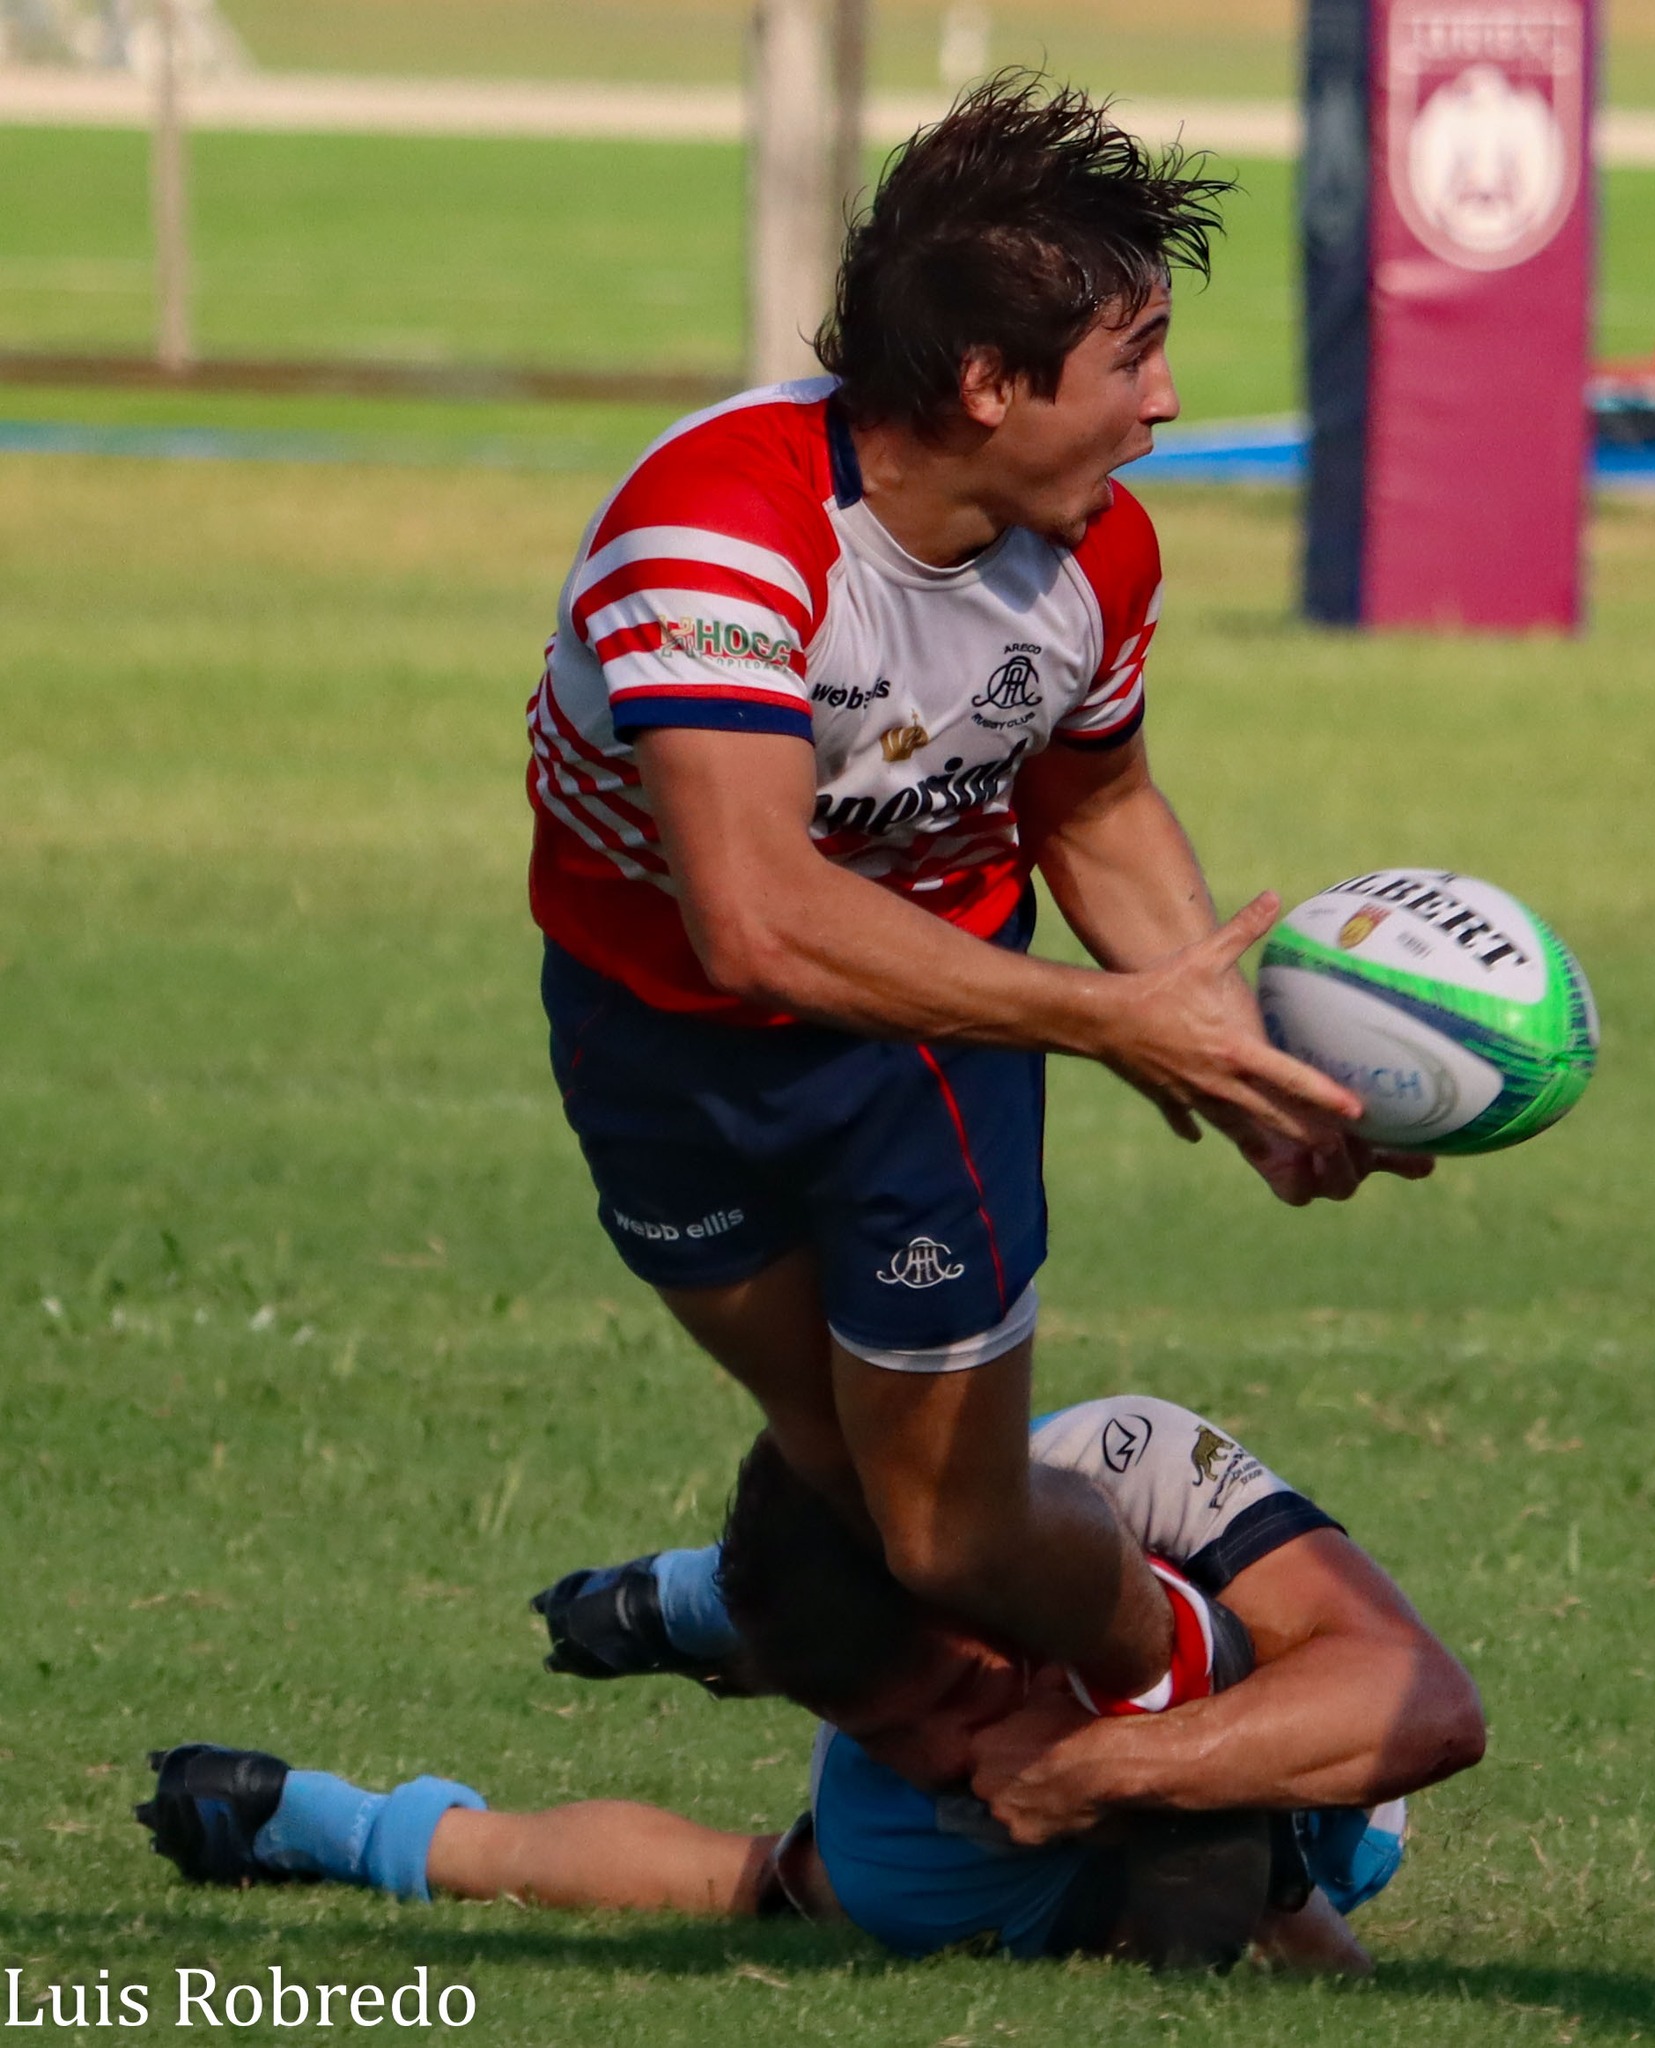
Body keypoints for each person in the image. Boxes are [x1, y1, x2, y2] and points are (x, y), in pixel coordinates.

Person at [528, 74, 1433, 1717]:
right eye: (1133, 356)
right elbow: (760, 918)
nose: (1167, 401)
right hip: (657, 1045)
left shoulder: (1099, 553)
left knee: (947, 1533)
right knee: (853, 1490)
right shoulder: (716, 539)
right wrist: (1116, 1025)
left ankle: (1198, 1697)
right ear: (986, 382)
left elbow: (1093, 806)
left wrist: (1246, 1069)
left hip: (928, 1048)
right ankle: (796, 1639)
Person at [137, 1398, 1484, 1972]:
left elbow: (1427, 1709)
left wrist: (1110, 1769)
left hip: (1193, 1749)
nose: (947, 1755)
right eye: (885, 1733)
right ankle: (348, 1823)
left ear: (998, 1632)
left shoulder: (1121, 1459)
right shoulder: (914, 1835)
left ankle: (695, 1597)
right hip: (956, 1855)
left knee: (1197, 1682)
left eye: (956, 1707)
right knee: (795, 1874)